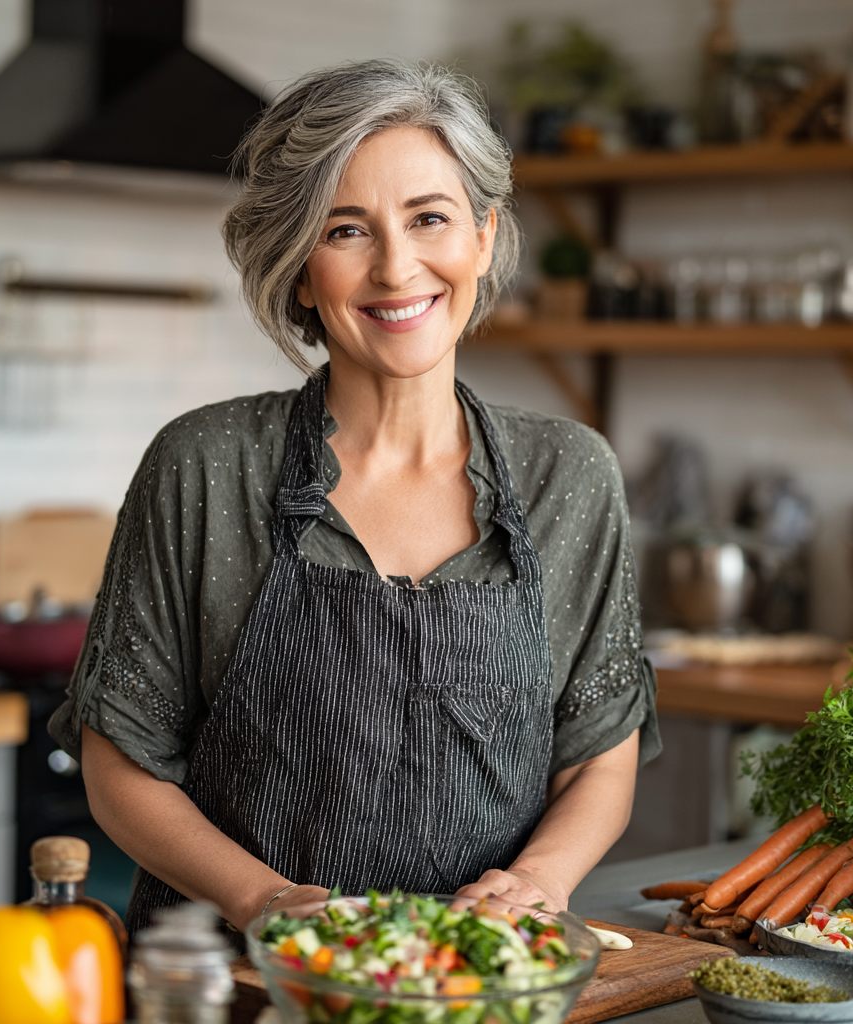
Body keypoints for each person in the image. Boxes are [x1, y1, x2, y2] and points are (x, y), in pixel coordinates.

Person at [49, 58, 660, 936]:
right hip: (234, 980)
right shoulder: (207, 464)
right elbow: (119, 763)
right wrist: (270, 903)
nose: (396, 266)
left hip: (482, 979)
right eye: (346, 231)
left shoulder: (570, 475)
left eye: (430, 219)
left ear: (483, 238)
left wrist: (535, 884)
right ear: (301, 271)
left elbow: (599, 752)